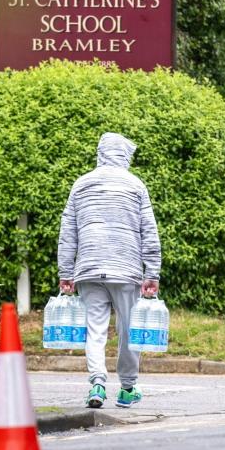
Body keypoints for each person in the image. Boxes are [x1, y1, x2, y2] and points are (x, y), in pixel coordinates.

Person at [57, 132, 161, 409]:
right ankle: (127, 388)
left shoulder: (81, 184)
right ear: (124, 154)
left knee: (95, 330)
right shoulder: (136, 185)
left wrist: (66, 271)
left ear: (101, 152)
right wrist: (152, 271)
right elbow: (148, 231)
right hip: (125, 268)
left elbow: (68, 231)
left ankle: (98, 384)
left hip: (89, 267)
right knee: (128, 329)